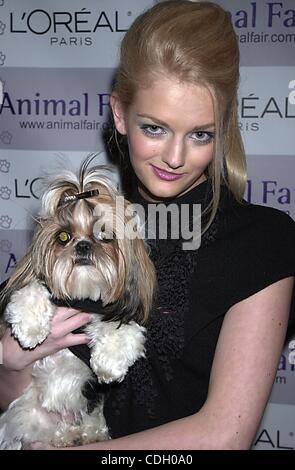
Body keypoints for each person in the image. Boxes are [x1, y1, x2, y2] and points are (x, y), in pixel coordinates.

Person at [1, 0, 295, 450]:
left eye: (200, 133)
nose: (175, 158)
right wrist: (10, 360)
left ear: (225, 125)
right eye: (155, 128)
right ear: (119, 113)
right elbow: (25, 402)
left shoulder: (264, 241)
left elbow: (223, 436)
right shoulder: (79, 226)